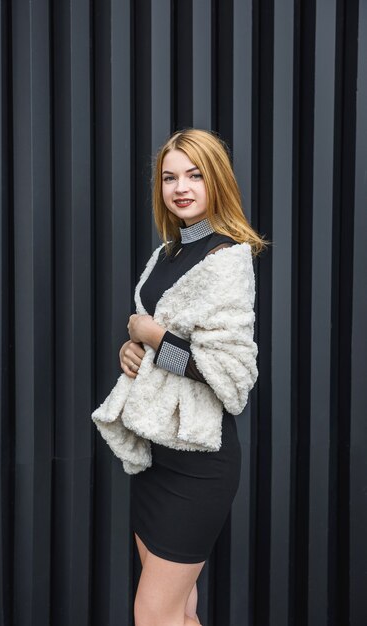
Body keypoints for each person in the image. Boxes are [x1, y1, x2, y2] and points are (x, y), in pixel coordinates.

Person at [119, 128, 268, 626]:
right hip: (155, 456)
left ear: (216, 181)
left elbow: (228, 375)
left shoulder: (227, 258)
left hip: (199, 463)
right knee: (179, 610)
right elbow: (158, 342)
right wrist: (133, 350)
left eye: (195, 175)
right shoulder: (166, 254)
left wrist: (154, 336)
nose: (180, 187)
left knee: (153, 613)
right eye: (169, 177)